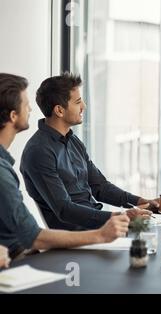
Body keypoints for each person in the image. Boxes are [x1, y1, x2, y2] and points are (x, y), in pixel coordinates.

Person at [0, 73, 130, 260]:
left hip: (25, 253)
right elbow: (32, 235)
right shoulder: (22, 161)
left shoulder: (73, 140)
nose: (30, 108)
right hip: (33, 254)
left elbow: (100, 185)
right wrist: (102, 232)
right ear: (13, 116)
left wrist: (134, 205)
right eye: (25, 104)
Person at [20, 73, 156, 231]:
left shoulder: (73, 141)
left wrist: (139, 201)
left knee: (155, 233)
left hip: (98, 229)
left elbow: (99, 186)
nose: (83, 106)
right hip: (77, 238)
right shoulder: (39, 151)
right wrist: (120, 218)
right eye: (78, 102)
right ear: (59, 110)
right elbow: (65, 210)